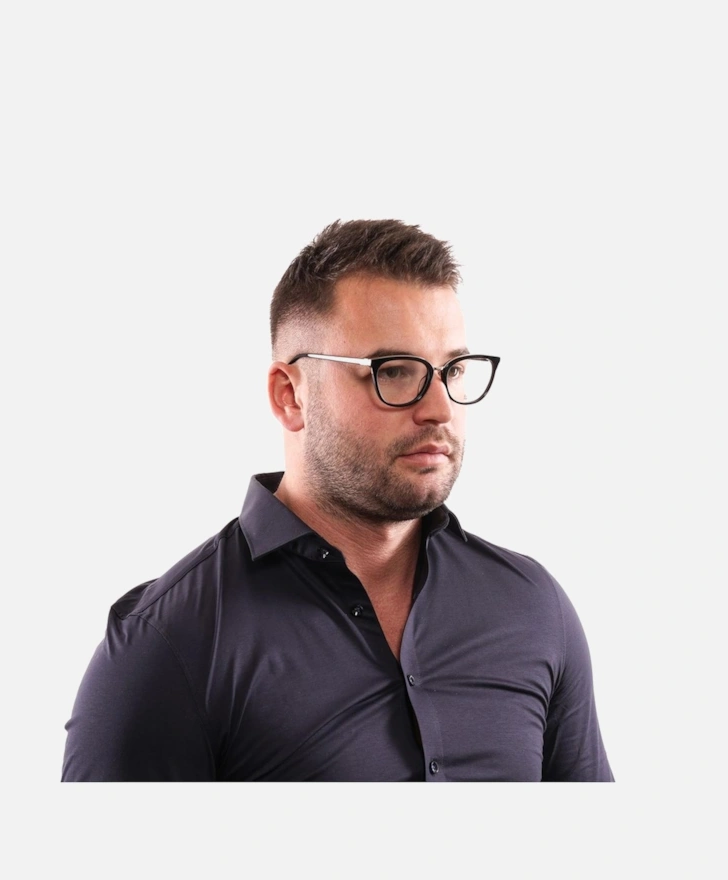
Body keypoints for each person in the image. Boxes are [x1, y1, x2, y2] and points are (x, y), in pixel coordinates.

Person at [61, 218, 613, 782]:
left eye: (453, 370)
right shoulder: (170, 645)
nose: (440, 410)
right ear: (290, 396)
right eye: (393, 372)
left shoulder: (532, 608)